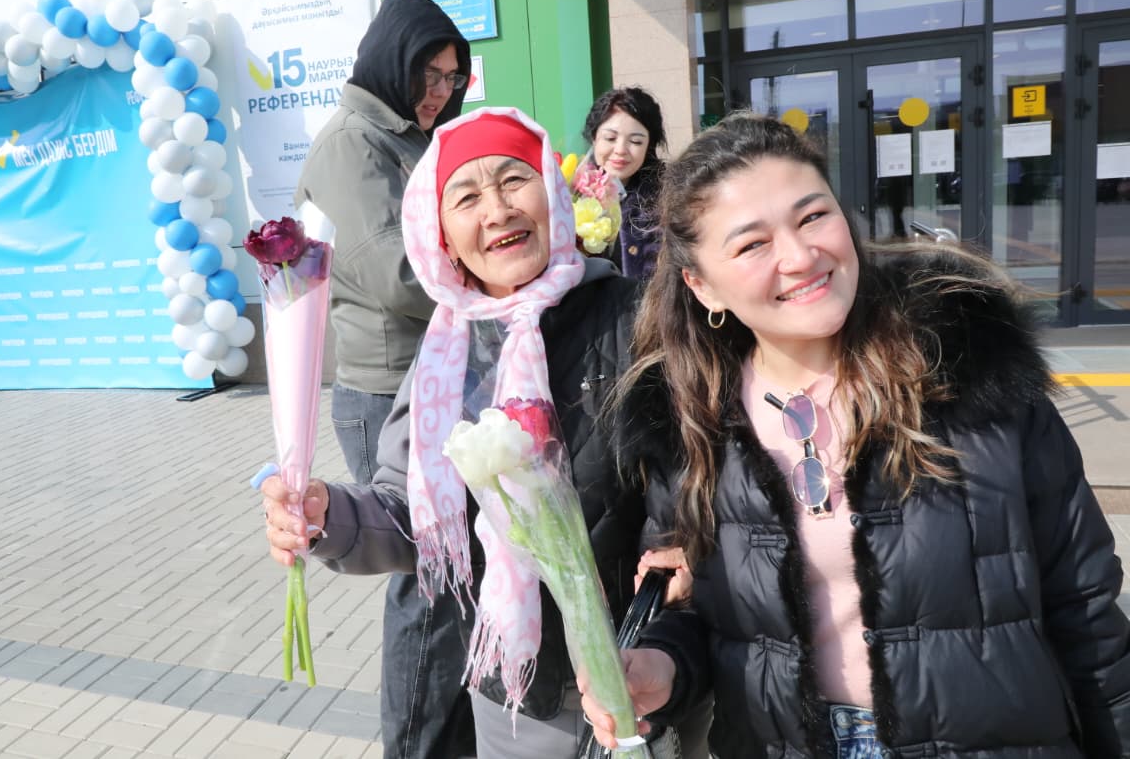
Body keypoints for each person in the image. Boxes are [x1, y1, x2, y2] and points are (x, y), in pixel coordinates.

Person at [584, 112, 1130, 757]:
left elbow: (1084, 605)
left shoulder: (970, 374)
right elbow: (705, 617)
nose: (800, 256)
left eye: (813, 216)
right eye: (752, 245)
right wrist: (662, 668)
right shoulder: (685, 425)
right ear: (703, 287)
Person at [265, 108, 649, 758]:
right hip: (516, 687)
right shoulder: (447, 352)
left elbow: (692, 481)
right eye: (466, 197)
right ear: (440, 233)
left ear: (554, 196)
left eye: (514, 180)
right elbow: (406, 511)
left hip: (641, 667)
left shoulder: (634, 316)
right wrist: (327, 514)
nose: (497, 210)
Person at [294, 0, 473, 759]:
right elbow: (398, 273)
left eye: (452, 77)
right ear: (391, 62)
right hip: (384, 390)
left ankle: (454, 729)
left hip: (433, 375)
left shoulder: (411, 136)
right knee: (424, 575)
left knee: (453, 567)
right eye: (428, 73)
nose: (439, 90)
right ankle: (415, 745)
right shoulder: (351, 144)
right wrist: (499, 274)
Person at [582, 86, 667, 279]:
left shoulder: (667, 197)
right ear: (594, 138)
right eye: (610, 138)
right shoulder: (568, 193)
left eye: (635, 141)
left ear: (649, 146)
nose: (620, 150)